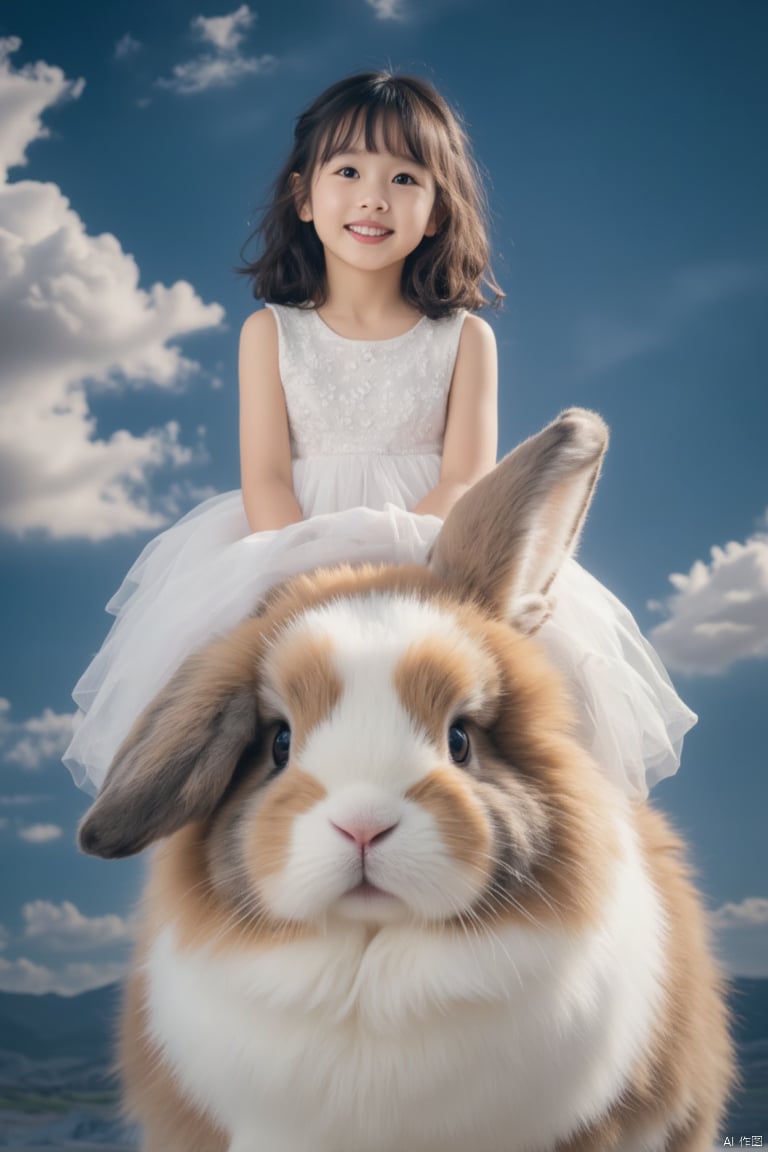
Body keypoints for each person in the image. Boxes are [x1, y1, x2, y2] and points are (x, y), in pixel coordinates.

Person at [63, 71, 694, 800]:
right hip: (287, 545)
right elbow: (265, 475)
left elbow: (466, 478)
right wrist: (298, 577)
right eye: (349, 171)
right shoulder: (269, 331)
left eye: (404, 177)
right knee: (230, 709)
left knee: (531, 698)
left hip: (435, 548)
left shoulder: (465, 338)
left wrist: (416, 576)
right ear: (304, 195)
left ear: (435, 213)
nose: (373, 196)